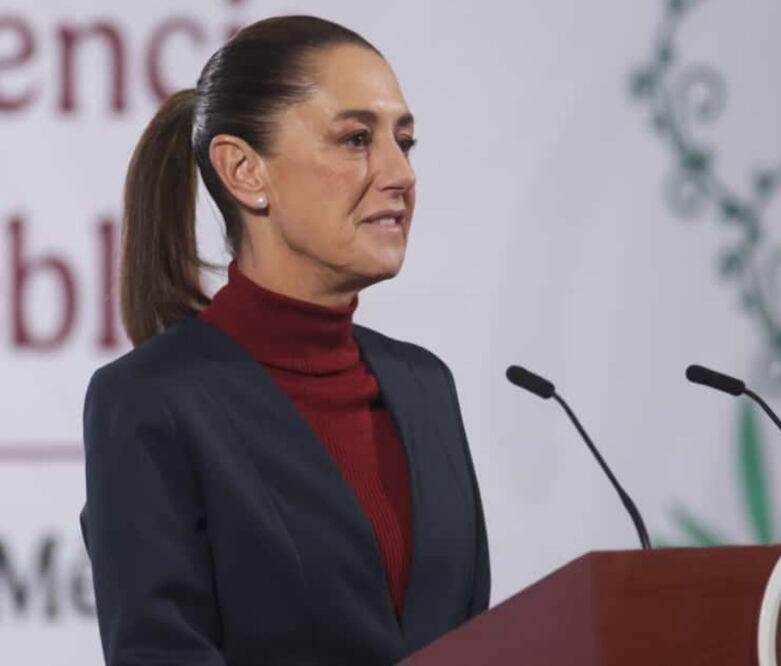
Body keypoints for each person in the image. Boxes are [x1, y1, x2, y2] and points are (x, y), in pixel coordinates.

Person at [79, 15, 489, 666]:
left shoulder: (424, 386)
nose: (399, 174)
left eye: (403, 142)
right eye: (356, 139)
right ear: (244, 172)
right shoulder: (150, 401)